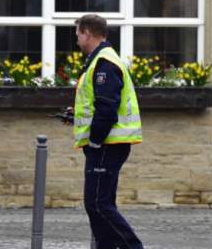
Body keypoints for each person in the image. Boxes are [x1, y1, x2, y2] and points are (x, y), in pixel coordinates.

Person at [72, 13, 144, 249]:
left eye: (78, 34)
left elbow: (107, 109)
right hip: (106, 144)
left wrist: (94, 141)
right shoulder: (99, 60)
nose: (77, 40)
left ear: (87, 33)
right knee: (100, 205)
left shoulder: (105, 63)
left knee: (98, 205)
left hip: (106, 145)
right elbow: (97, 104)